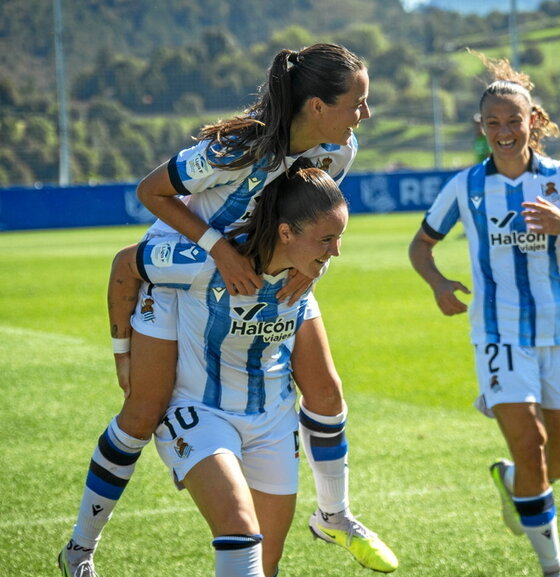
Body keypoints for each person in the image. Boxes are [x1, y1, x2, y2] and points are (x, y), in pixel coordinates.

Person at [59, 43, 397, 576]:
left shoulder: (339, 151)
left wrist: (309, 264)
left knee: (326, 388)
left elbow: (313, 220)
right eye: (358, 101)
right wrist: (217, 250)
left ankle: (335, 512)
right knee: (144, 410)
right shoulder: (238, 147)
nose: (365, 114)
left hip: (260, 268)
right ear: (315, 106)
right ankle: (79, 550)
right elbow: (151, 193)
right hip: (183, 268)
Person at [409, 56, 560, 577]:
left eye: (513, 120)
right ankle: (554, 568)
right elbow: (421, 245)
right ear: (482, 127)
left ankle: (512, 482)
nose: (503, 131)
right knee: (532, 447)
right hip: (497, 332)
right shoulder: (466, 186)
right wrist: (437, 284)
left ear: (533, 121)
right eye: (492, 122)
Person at [121, 165, 344, 576]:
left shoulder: (306, 273)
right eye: (327, 240)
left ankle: (336, 515)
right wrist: (123, 354)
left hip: (272, 419)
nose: (335, 253)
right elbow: (124, 264)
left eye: (339, 238)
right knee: (240, 533)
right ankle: (81, 545)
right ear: (286, 233)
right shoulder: (205, 264)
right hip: (199, 411)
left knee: (268, 562)